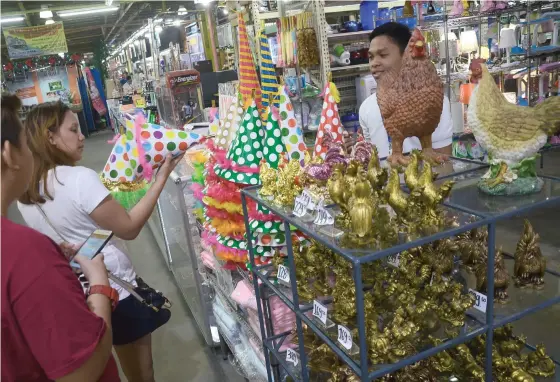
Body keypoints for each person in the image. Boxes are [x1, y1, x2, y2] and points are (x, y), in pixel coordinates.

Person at [18, 101, 184, 382]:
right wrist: (160, 178)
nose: (82, 136)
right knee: (142, 374)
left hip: (77, 292)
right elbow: (128, 228)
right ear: (50, 137)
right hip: (115, 288)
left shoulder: (27, 193)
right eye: (73, 129)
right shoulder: (81, 179)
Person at [1, 93, 120, 381]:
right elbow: (82, 370)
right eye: (25, 144)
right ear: (9, 154)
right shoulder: (24, 251)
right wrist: (99, 283)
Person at [351, 22, 452, 159]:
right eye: (371, 57)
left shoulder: (438, 102)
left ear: (405, 54)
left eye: (383, 55)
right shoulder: (366, 108)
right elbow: (371, 157)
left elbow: (444, 163)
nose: (374, 63)